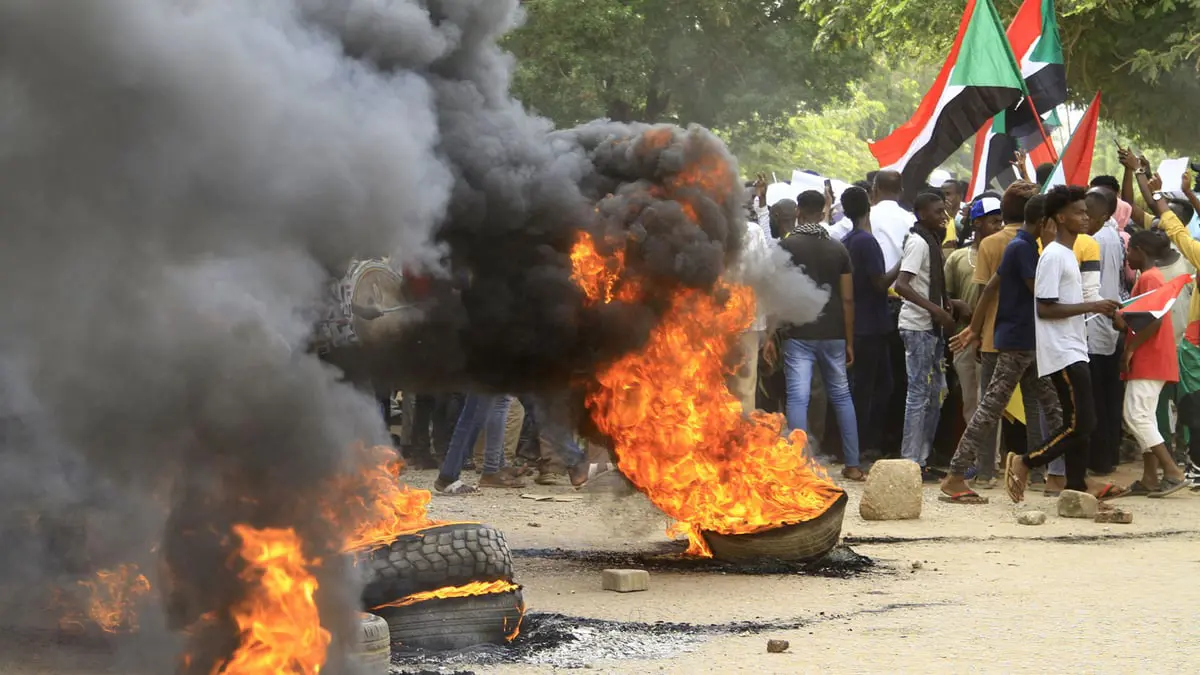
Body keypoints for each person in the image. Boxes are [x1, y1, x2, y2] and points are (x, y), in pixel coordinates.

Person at [942, 195, 1064, 503]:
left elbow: (990, 289)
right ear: (1044, 223)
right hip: (1019, 343)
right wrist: (1051, 247)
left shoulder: (1019, 247)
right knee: (992, 408)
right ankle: (956, 475)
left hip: (1025, 341)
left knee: (1053, 409)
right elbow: (1044, 295)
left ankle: (1059, 474)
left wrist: (974, 329)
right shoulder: (1025, 249)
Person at [1005, 186, 1121, 503]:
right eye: (1079, 212)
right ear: (1061, 216)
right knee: (1083, 422)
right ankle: (1026, 461)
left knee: (1080, 421)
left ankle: (1077, 486)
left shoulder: (1068, 254)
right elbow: (1045, 307)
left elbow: (1078, 300)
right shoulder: (1054, 256)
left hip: (1074, 346)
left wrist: (1109, 312)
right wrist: (1092, 308)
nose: (1085, 217)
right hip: (1061, 351)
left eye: (1086, 212)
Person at [957, 182, 1039, 488]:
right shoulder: (1036, 242)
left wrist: (975, 333)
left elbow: (984, 293)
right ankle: (1039, 469)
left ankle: (985, 470)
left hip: (995, 336)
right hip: (1032, 337)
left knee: (989, 405)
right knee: (1036, 404)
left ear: (1003, 212)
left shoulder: (991, 244)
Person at [778, 204, 864, 481]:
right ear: (823, 212)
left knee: (798, 397)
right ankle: (852, 464)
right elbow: (848, 299)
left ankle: (798, 465)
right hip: (834, 335)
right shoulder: (838, 249)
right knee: (841, 395)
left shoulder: (787, 245)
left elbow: (774, 291)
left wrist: (770, 333)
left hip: (799, 334)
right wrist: (849, 340)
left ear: (800, 212)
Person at [1120, 230, 1190, 497]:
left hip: (1150, 356)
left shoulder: (1150, 278)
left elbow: (1153, 318)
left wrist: (1131, 349)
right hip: (1153, 355)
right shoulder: (1150, 276)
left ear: (1140, 250)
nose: (1127, 256)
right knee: (1144, 416)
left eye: (1130, 251)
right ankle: (1150, 477)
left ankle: (1171, 470)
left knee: (1135, 415)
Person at [895, 192, 957, 480]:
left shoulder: (931, 239)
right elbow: (902, 286)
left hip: (930, 326)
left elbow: (927, 283)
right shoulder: (919, 242)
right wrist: (938, 311)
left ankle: (922, 457)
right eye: (936, 211)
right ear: (920, 213)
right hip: (918, 327)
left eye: (943, 210)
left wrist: (950, 306)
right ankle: (911, 461)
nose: (942, 216)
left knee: (935, 393)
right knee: (919, 393)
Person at [944, 195, 1003, 479]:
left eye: (1000, 220)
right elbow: (944, 295)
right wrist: (957, 305)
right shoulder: (958, 257)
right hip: (964, 339)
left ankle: (991, 460)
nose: (998, 225)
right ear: (977, 222)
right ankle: (975, 459)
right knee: (971, 402)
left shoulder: (1004, 252)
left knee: (992, 402)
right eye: (993, 220)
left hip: (994, 339)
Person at [841, 187, 900, 462]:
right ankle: (866, 445)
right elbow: (879, 283)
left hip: (858, 324)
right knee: (874, 388)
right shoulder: (867, 242)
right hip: (872, 325)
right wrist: (903, 263)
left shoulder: (846, 240)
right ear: (869, 205)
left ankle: (860, 443)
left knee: (868, 386)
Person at [1081, 187, 1128, 475]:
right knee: (1108, 397)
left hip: (1096, 326)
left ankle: (1099, 459)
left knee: (1097, 397)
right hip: (1107, 323)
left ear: (1105, 214)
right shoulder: (1112, 236)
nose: (1084, 217)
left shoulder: (1095, 240)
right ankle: (1109, 455)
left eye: (1088, 212)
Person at [870, 170, 912, 273]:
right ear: (901, 192)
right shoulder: (911, 220)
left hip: (871, 284)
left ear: (875, 189)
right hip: (903, 284)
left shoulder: (863, 216)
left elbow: (831, 233)